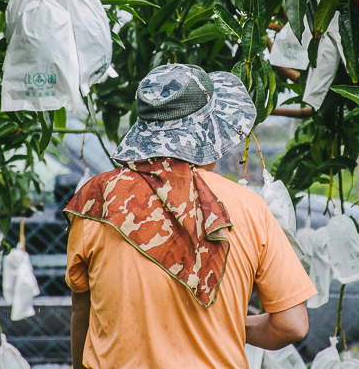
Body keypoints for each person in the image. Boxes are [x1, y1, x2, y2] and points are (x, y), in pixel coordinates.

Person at [65, 64, 317, 369]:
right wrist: (228, 323)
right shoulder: (250, 208)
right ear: (209, 135)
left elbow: (83, 312)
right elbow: (292, 324)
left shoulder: (96, 202)